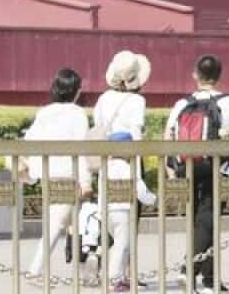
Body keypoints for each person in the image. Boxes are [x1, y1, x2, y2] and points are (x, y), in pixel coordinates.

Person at [164, 55, 229, 294]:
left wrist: (171, 171)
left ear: (195, 75)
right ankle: (188, 270)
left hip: (186, 167)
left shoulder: (182, 103)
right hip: (216, 166)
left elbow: (167, 138)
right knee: (209, 219)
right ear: (219, 75)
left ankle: (210, 281)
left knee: (198, 222)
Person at [93, 50, 157, 292]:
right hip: (128, 161)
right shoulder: (136, 101)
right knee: (128, 223)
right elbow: (136, 134)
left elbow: (98, 129)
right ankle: (119, 274)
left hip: (106, 163)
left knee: (111, 219)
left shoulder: (102, 99)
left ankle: (108, 267)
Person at [22, 68, 93, 281]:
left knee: (73, 222)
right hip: (68, 174)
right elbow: (81, 149)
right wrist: (85, 180)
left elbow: (30, 141)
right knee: (60, 223)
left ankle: (86, 271)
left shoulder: (44, 112)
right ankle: (35, 270)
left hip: (47, 172)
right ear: (76, 91)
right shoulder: (78, 114)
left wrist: (30, 170)